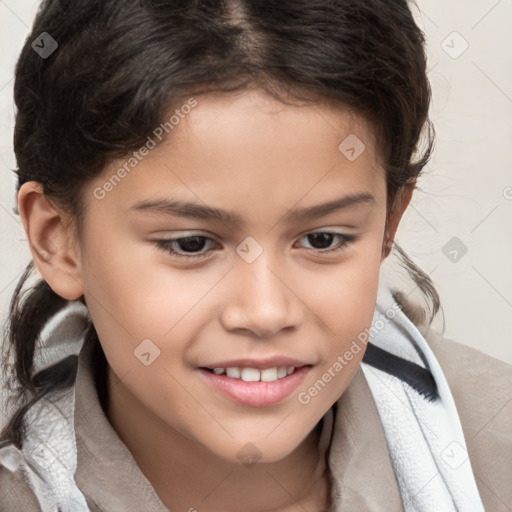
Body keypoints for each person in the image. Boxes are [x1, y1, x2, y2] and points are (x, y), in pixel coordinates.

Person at [0, 1, 510, 511]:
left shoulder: (494, 447)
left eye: (323, 239)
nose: (266, 312)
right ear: (57, 240)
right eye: (191, 244)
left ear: (388, 225)